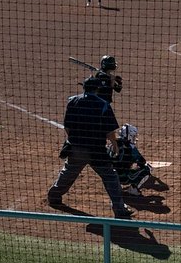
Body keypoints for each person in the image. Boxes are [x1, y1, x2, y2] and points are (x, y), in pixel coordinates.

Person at [47, 77, 134, 219]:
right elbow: (110, 130)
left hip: (76, 148)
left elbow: (67, 126)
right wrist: (114, 144)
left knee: (68, 173)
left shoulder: (72, 101)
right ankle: (120, 210)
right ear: (97, 89)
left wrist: (74, 140)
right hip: (96, 151)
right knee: (111, 177)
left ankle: (53, 196)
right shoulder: (103, 104)